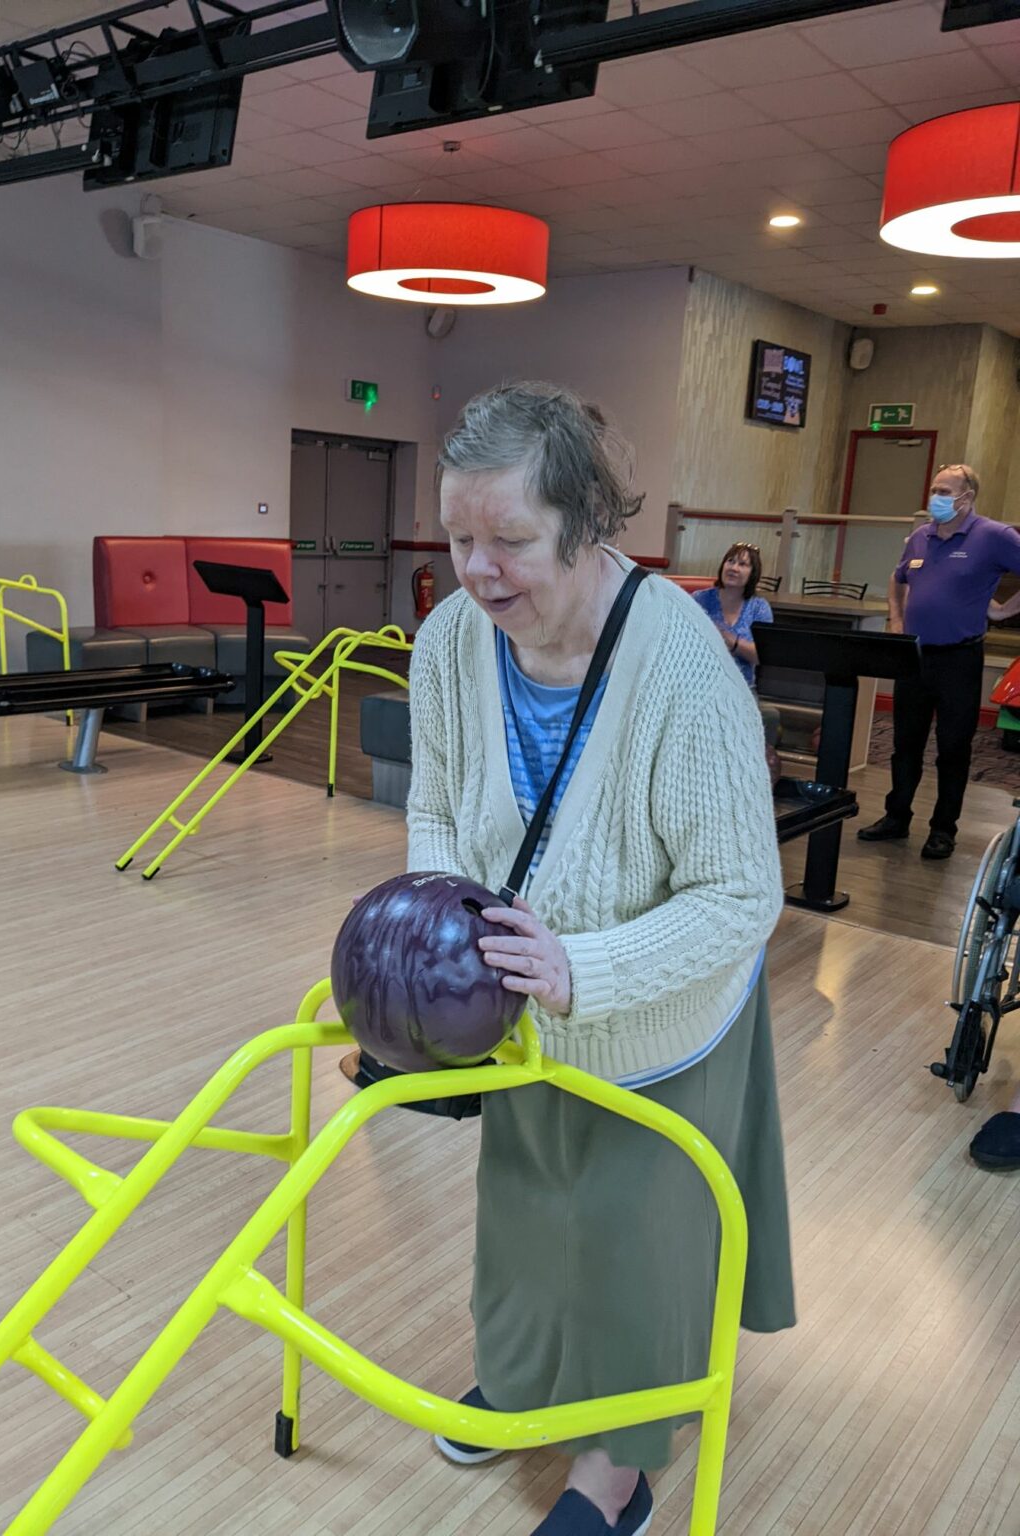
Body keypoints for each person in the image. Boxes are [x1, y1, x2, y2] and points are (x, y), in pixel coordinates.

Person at [406, 382, 795, 1536]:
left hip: (662, 1011)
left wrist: (589, 971)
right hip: (521, 1005)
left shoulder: (682, 668)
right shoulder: (449, 641)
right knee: (524, 1205)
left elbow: (741, 895)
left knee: (633, 1232)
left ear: (585, 528)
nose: (478, 572)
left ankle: (617, 1470)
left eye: (510, 541)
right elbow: (435, 806)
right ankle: (521, 1384)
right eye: (459, 539)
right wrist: (442, 939)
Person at [858, 463, 1020, 860]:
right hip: (914, 657)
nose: (936, 498)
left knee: (953, 747)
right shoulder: (920, 537)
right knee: (905, 744)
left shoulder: (993, 535)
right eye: (934, 489)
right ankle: (896, 817)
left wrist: (1002, 611)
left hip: (959, 658)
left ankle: (943, 829)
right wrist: (896, 619)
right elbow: (898, 578)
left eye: (945, 492)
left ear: (967, 497)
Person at [692, 542, 774, 689]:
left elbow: (763, 656)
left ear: (753, 573)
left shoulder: (759, 607)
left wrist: (730, 641)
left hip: (742, 688)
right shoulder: (699, 599)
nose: (734, 568)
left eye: (742, 564)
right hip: (700, 685)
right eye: (730, 561)